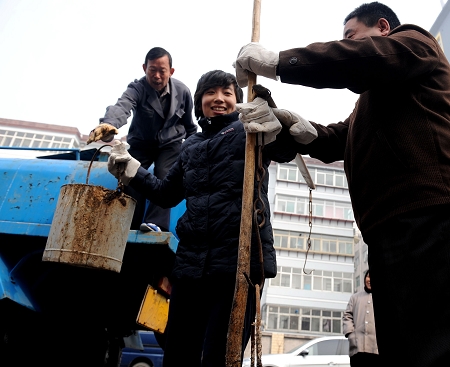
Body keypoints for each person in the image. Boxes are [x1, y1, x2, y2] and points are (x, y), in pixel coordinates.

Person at [234, 2, 450, 366]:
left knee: (434, 343)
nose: (346, 44)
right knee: (404, 347)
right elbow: (334, 139)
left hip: (429, 214)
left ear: (383, 27)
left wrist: (279, 62)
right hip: (387, 229)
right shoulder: (371, 103)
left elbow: (362, 58)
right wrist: (287, 126)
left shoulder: (414, 42)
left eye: (350, 36)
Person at [106, 70, 297, 367]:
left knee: (221, 357)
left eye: (227, 93)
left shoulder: (250, 131)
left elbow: (284, 149)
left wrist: (272, 119)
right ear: (199, 102)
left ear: (237, 101)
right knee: (178, 354)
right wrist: (131, 169)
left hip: (237, 264)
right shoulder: (190, 145)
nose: (218, 99)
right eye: (210, 93)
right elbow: (166, 193)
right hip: (190, 267)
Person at [87, 47, 197, 232]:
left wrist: (194, 149)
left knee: (166, 173)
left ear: (171, 71)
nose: (157, 76)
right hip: (141, 144)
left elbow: (190, 126)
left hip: (170, 145)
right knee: (130, 174)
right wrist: (108, 124)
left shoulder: (183, 92)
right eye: (152, 70)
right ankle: (129, 223)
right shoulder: (137, 88)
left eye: (162, 71)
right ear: (144, 68)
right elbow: (122, 106)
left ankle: (157, 224)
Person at [343, 270, 379, 366]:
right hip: (357, 348)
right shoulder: (355, 298)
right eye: (368, 277)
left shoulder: (383, 298)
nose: (370, 280)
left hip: (376, 350)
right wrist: (351, 335)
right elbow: (347, 316)